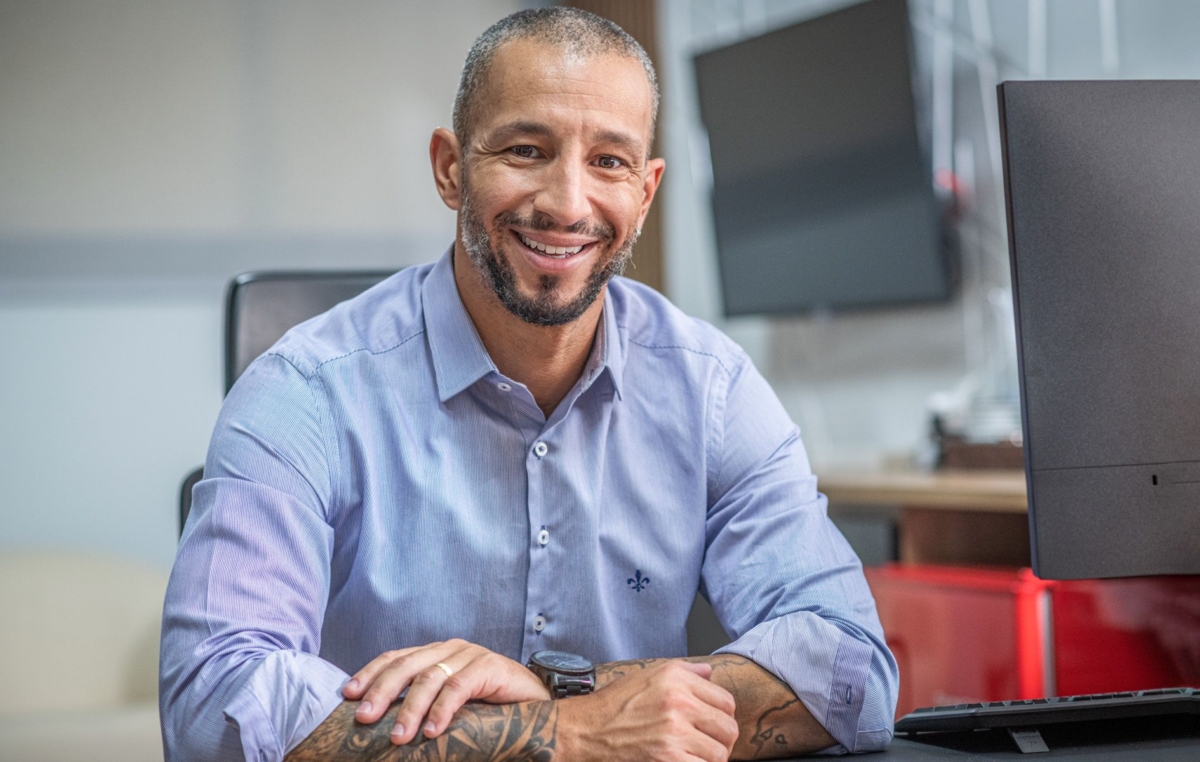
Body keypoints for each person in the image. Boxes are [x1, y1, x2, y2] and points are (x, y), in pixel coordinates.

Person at [160, 8, 898, 761]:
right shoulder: (304, 391)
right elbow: (212, 703)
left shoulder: (711, 389)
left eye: (609, 161)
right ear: (451, 168)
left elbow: (853, 670)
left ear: (646, 192)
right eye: (525, 149)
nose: (567, 203)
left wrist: (556, 689)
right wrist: (567, 737)